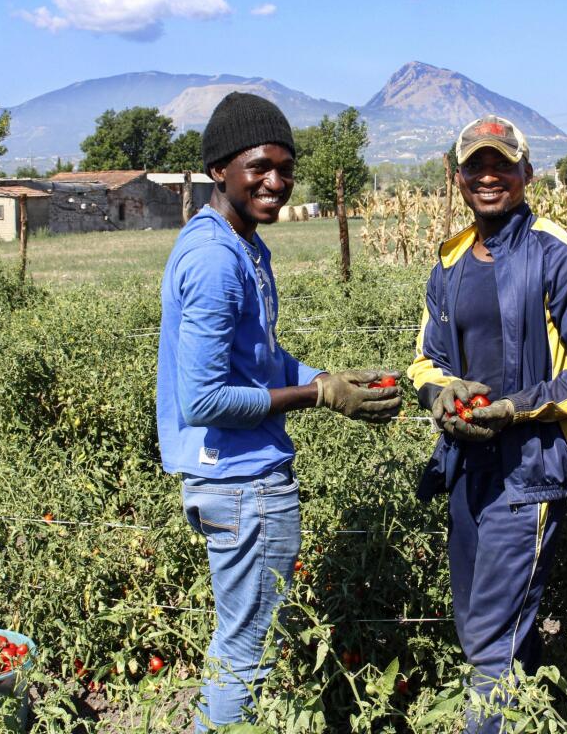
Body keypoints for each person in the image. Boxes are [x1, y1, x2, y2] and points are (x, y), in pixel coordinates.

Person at [156, 92, 401, 729]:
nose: (277, 181)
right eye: (260, 166)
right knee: (245, 654)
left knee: (241, 641)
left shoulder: (242, 246)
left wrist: (323, 376)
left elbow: (259, 355)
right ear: (219, 170)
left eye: (286, 168)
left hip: (238, 482)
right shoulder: (214, 260)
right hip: (241, 484)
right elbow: (205, 398)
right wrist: (319, 397)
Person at [407, 115, 567, 732]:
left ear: (527, 173)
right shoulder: (449, 261)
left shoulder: (558, 255)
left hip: (529, 473)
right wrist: (441, 396)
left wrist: (518, 407)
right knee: (483, 623)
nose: (489, 175)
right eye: (476, 165)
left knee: (490, 640)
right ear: (457, 177)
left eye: (502, 163)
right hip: (467, 469)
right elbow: (428, 359)